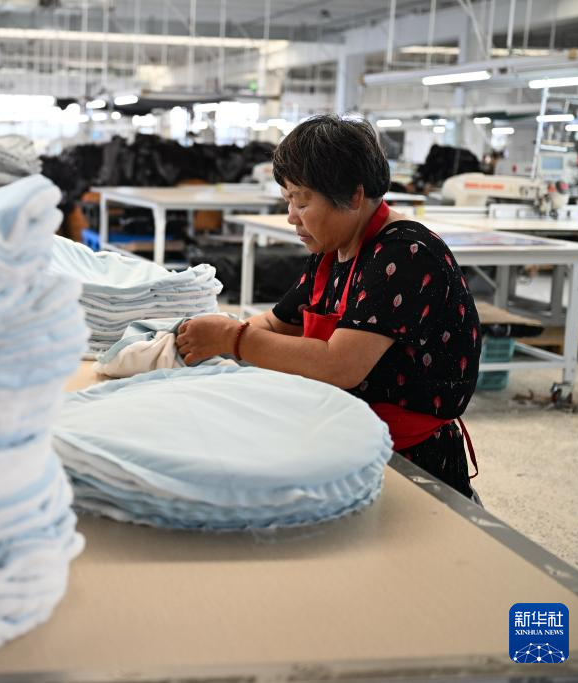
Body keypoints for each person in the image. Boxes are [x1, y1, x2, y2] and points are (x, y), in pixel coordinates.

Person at [175, 114, 480, 498]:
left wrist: (232, 339)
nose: (291, 216)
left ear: (353, 196)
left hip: (406, 460)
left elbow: (340, 365)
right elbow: (276, 323)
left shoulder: (405, 255)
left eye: (302, 201)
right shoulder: (333, 251)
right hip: (347, 432)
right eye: (288, 200)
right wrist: (213, 340)